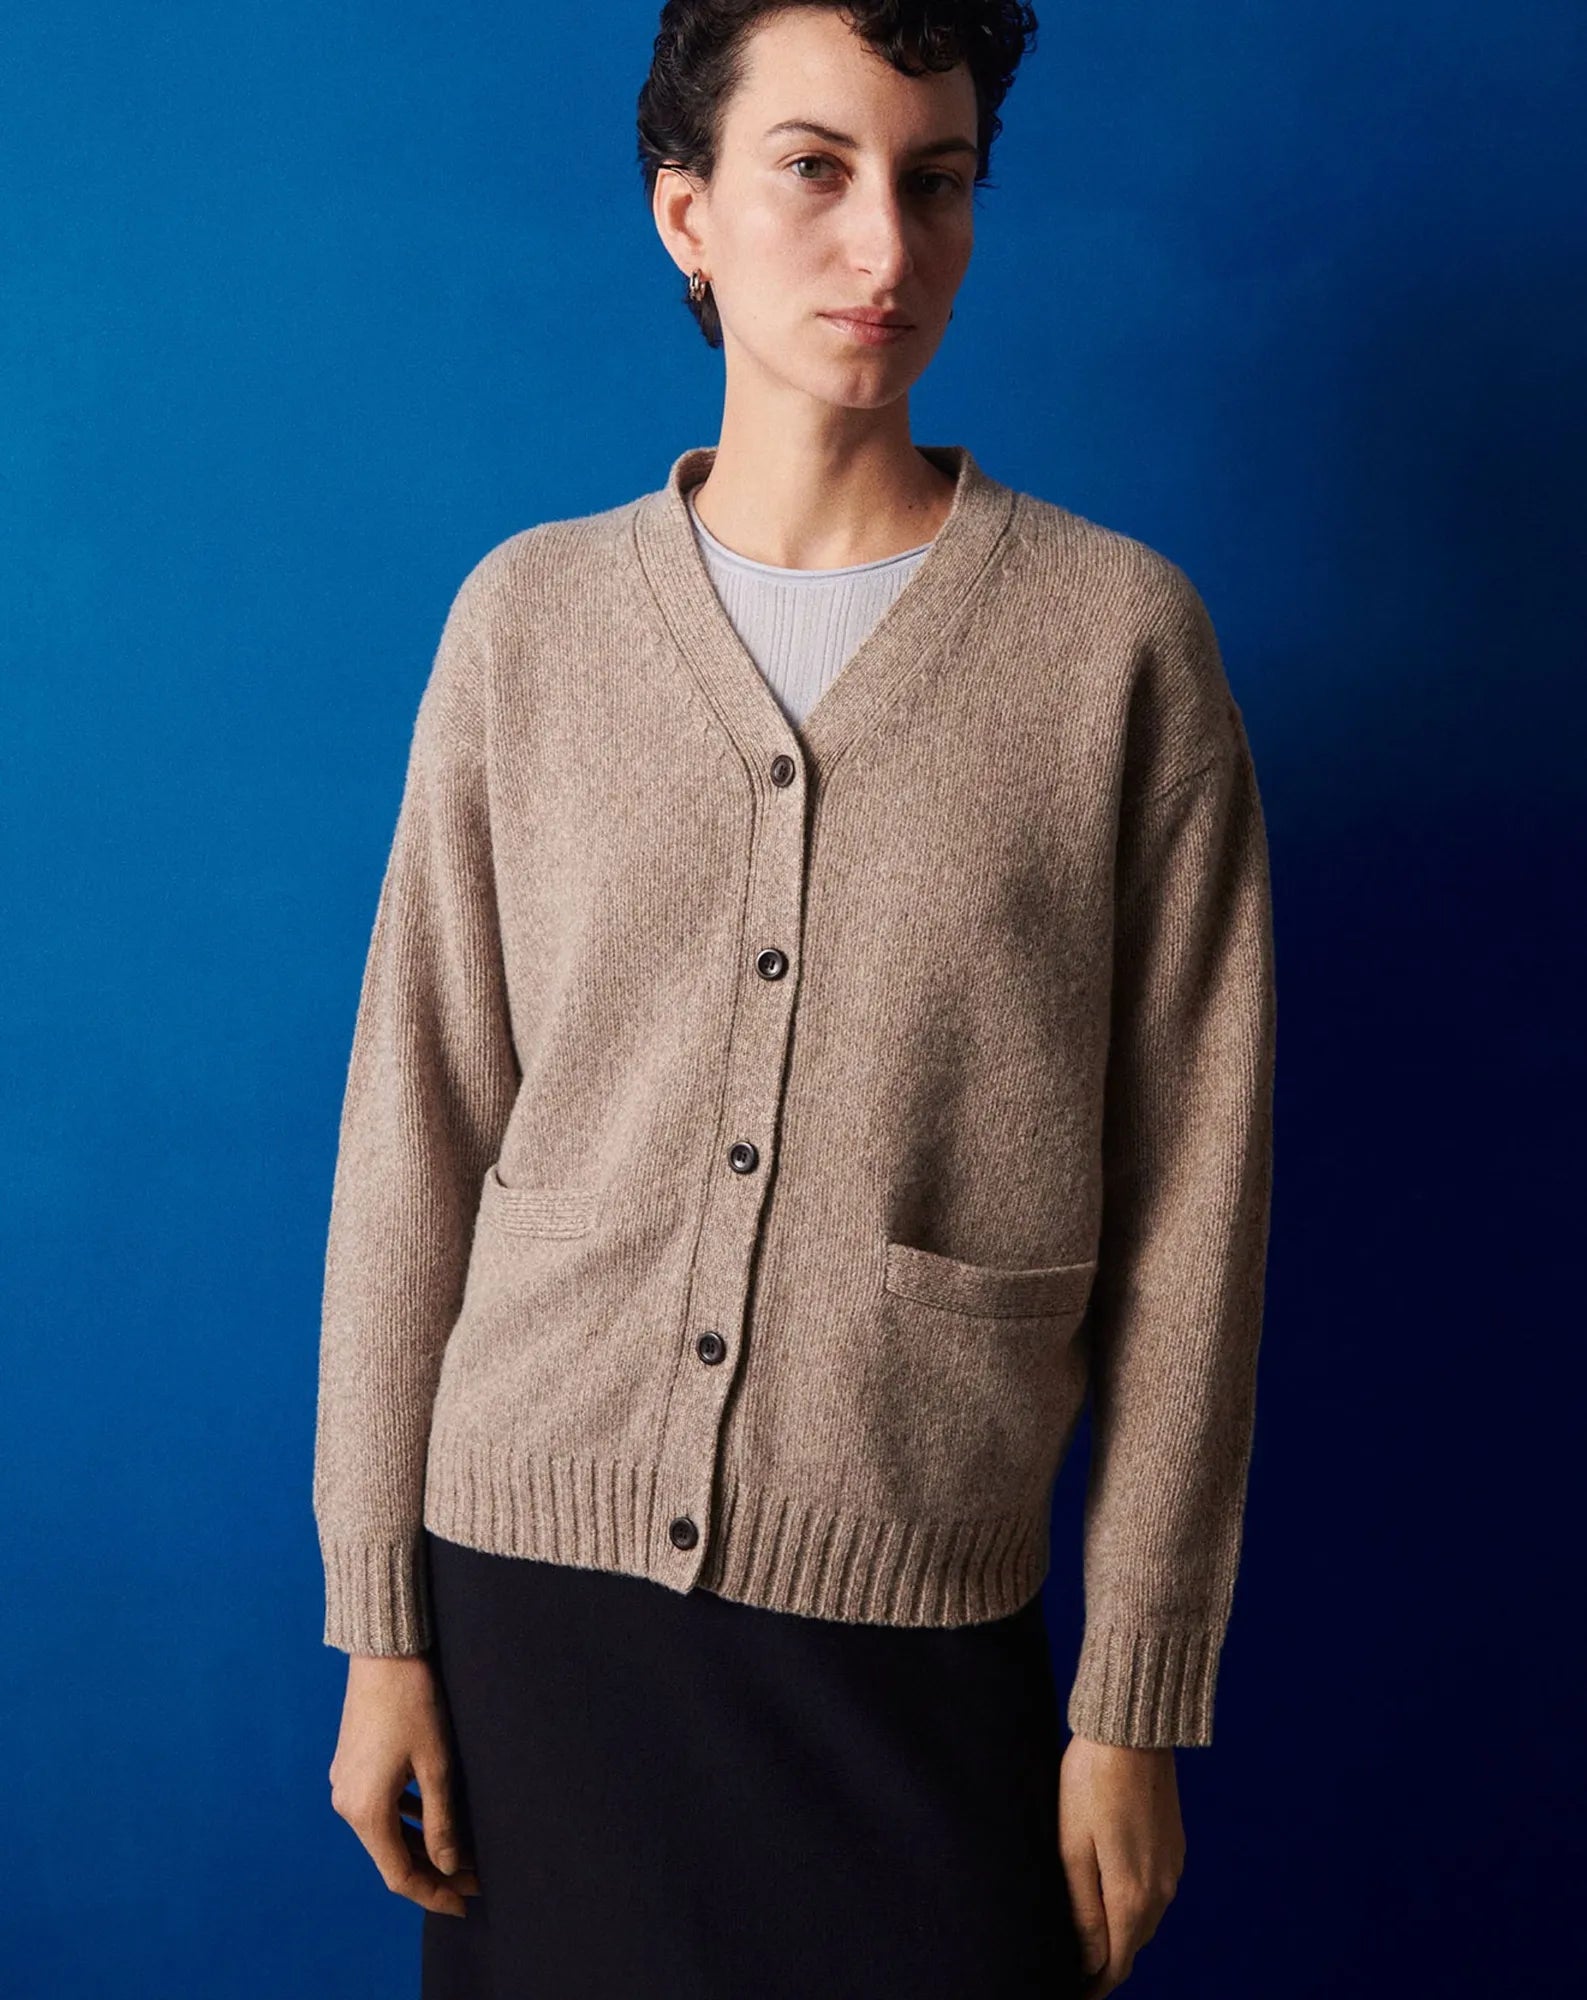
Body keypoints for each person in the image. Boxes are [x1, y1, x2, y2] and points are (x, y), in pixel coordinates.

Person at [314, 5, 1277, 1997]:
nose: (884, 248)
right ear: (685, 211)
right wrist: (379, 1621)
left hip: (915, 1612)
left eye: (937, 182)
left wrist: (1133, 1691)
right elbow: (417, 1124)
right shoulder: (528, 623)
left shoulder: (1115, 644)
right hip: (532, 1618)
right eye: (815, 171)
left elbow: (1197, 1209)